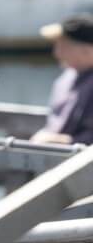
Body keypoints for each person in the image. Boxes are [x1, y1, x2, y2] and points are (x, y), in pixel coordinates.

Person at [35, 14, 93, 146]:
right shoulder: (68, 77)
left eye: (64, 47)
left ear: (87, 50)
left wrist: (64, 141)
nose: (57, 53)